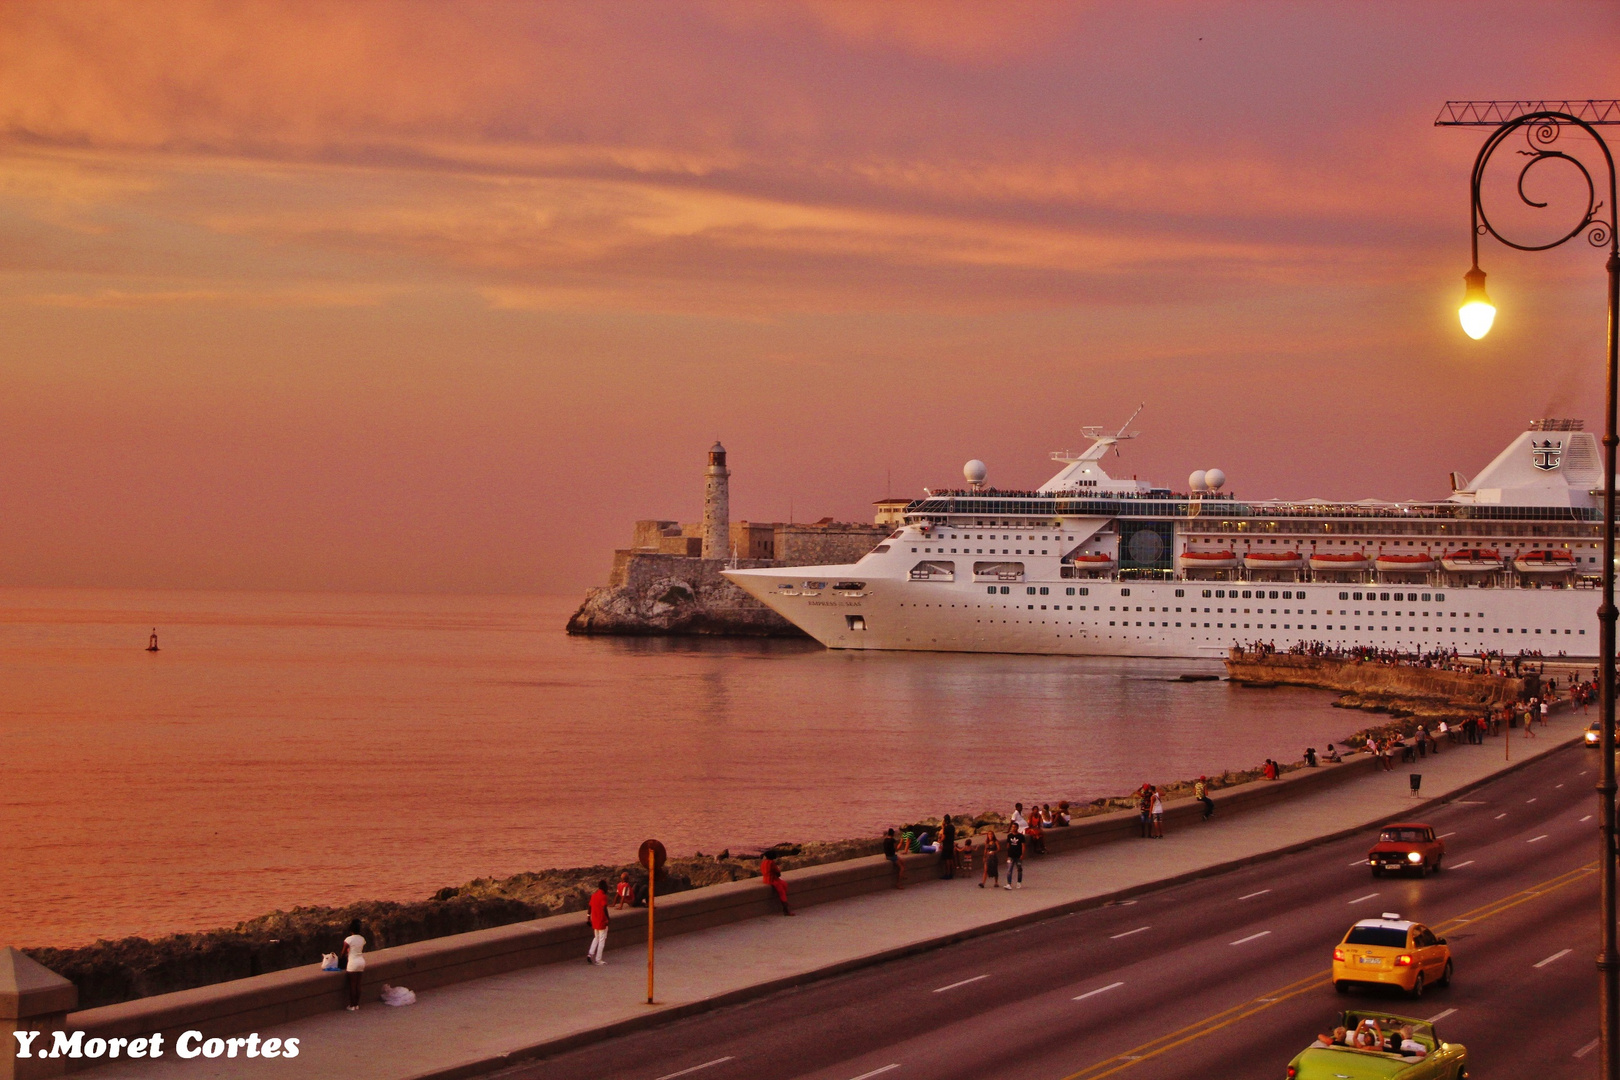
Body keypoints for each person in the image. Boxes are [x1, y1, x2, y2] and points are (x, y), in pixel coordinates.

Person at [339, 918, 367, 1010]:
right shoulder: (362, 939)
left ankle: (352, 1005)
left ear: (351, 930)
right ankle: (357, 1004)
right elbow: (358, 948)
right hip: (361, 961)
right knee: (358, 984)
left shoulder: (348, 939)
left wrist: (347, 952)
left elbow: (343, 953)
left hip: (353, 963)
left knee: (352, 985)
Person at [587, 880, 610, 964]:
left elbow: (589, 907)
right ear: (604, 887)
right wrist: (608, 918)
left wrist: (588, 917)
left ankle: (590, 954)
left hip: (595, 920)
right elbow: (604, 908)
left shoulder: (594, 895)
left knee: (596, 938)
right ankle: (598, 959)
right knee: (602, 940)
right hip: (602, 921)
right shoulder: (603, 896)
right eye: (606, 887)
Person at [1004, 824, 1024, 889]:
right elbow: (1008, 846)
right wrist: (1007, 855)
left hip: (1018, 855)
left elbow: (1023, 846)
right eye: (1012, 827)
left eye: (1015, 827)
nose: (1013, 828)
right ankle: (1009, 884)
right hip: (1011, 855)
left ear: (1017, 828)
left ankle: (1019, 882)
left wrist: (1022, 854)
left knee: (1019, 869)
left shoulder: (1021, 836)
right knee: (1009, 870)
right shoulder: (1009, 836)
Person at [940, 814, 957, 879]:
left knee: (947, 860)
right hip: (951, 844)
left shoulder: (946, 828)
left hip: (946, 845)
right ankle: (951, 873)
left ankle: (947, 874)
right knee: (950, 859)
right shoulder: (952, 827)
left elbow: (943, 837)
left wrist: (939, 841)